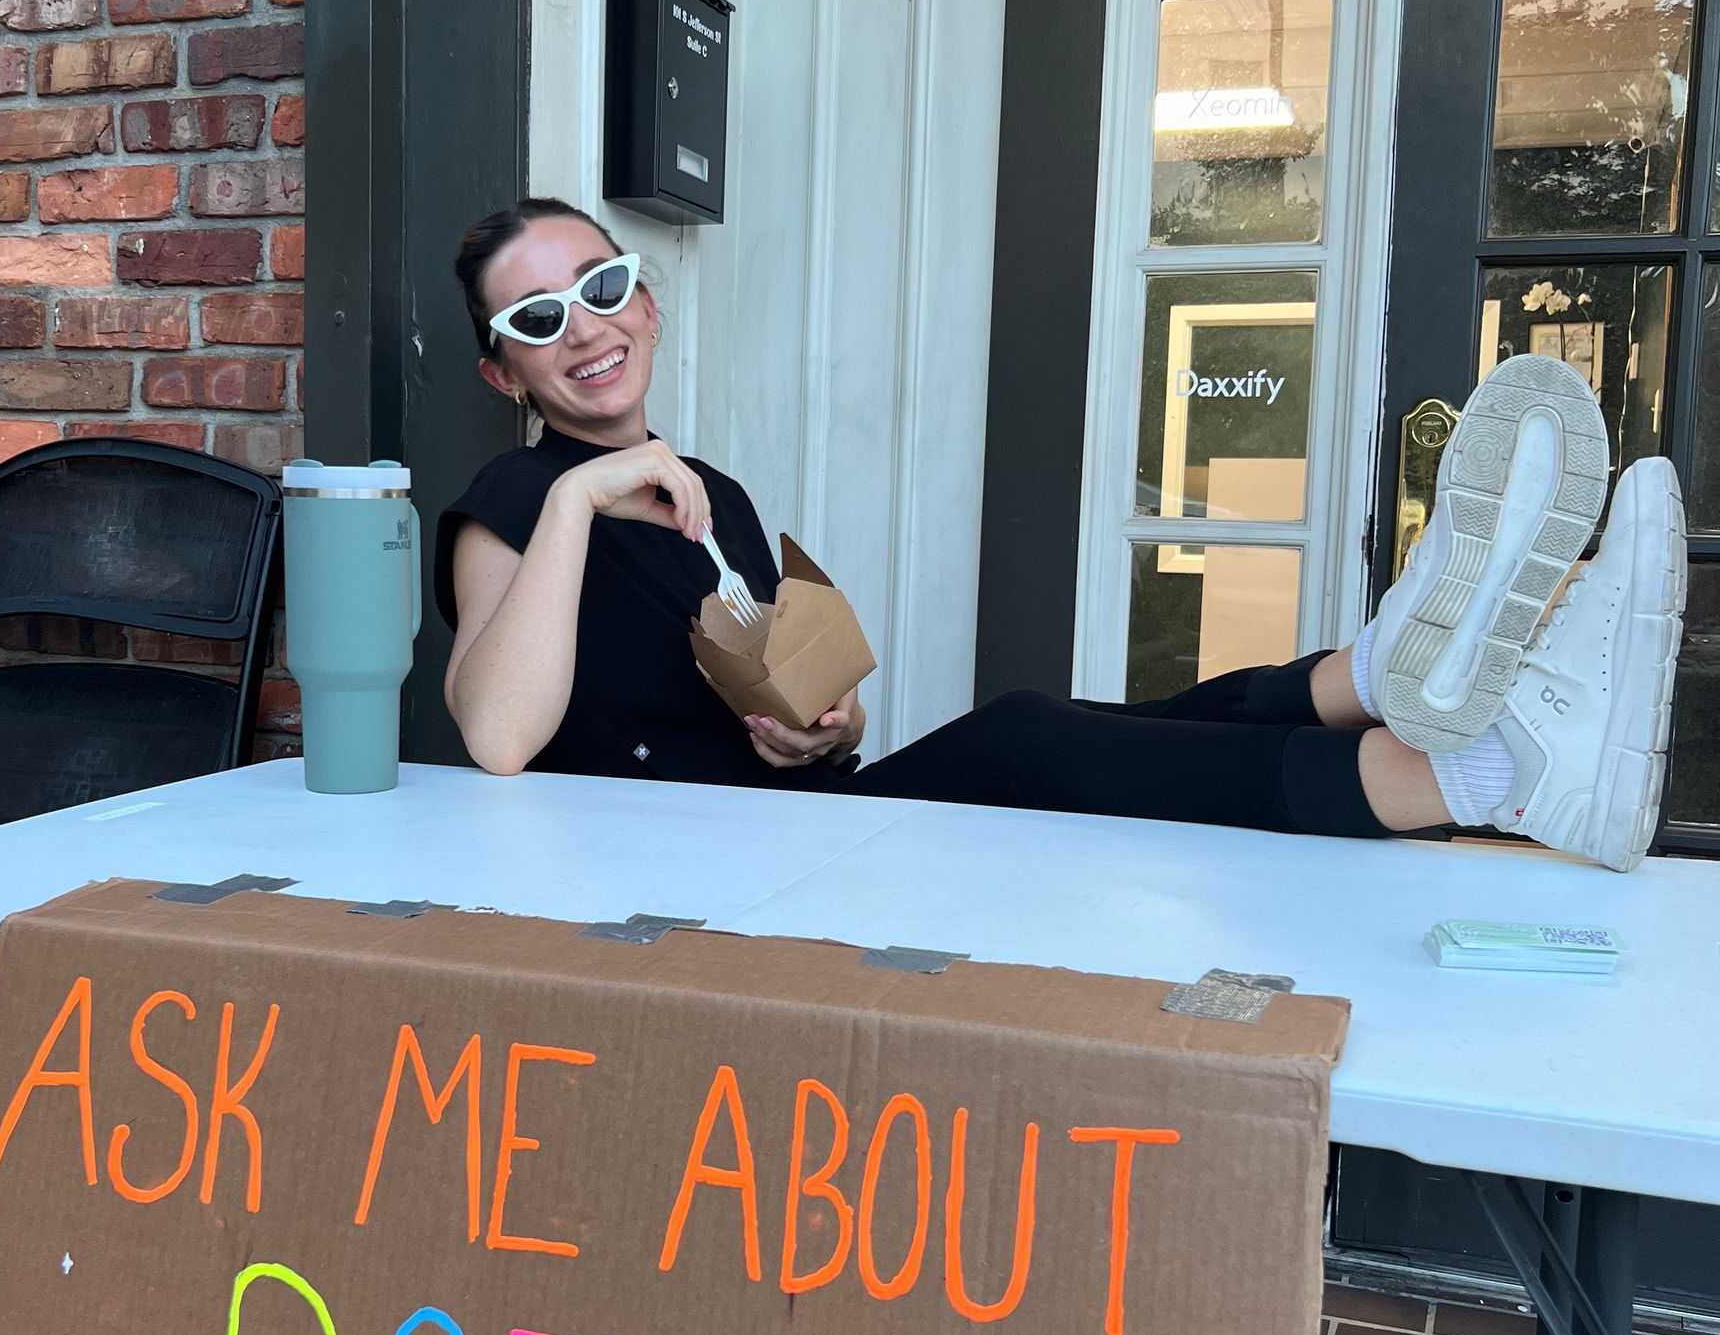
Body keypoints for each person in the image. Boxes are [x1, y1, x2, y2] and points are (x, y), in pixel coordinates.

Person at [439, 200, 1687, 872]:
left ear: (645, 306)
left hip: (782, 833)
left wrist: (825, 729)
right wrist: (570, 498)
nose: (584, 328)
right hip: (678, 889)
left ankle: (1371, 677)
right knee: (1028, 737)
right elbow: (498, 736)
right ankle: (1487, 775)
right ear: (505, 375)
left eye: (601, 288)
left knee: (1088, 726)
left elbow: (785, 708)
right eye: (537, 317)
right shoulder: (513, 510)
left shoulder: (713, 493)